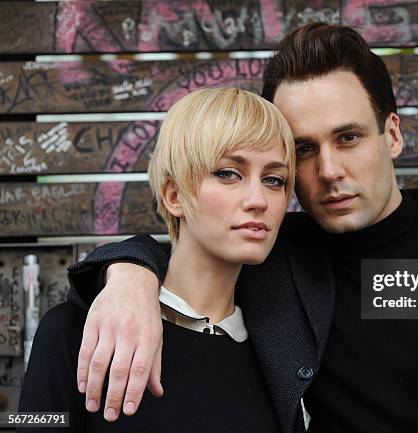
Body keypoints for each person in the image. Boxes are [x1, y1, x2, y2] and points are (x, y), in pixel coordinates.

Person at [65, 24, 418, 433]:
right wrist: (129, 277)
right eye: (304, 149)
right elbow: (189, 249)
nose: (328, 170)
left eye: (348, 137)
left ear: (391, 134)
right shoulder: (277, 258)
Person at [18, 87, 296, 432]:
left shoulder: (287, 353)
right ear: (173, 194)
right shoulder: (71, 331)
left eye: (274, 179)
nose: (259, 199)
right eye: (228, 173)